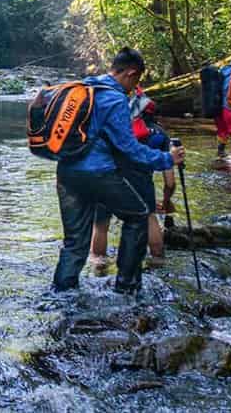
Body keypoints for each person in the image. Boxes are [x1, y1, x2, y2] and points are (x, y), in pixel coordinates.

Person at [52, 48, 182, 296]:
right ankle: (127, 286)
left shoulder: (84, 88)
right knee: (138, 215)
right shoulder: (114, 98)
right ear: (131, 73)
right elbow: (129, 148)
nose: (135, 88)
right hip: (98, 173)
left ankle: (62, 294)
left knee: (74, 240)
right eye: (136, 81)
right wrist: (166, 158)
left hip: (66, 172)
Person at [88, 90, 176, 271]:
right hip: (142, 181)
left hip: (109, 178)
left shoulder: (117, 126)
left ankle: (99, 264)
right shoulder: (161, 135)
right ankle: (157, 260)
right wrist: (166, 202)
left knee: (101, 224)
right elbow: (170, 181)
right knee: (150, 217)